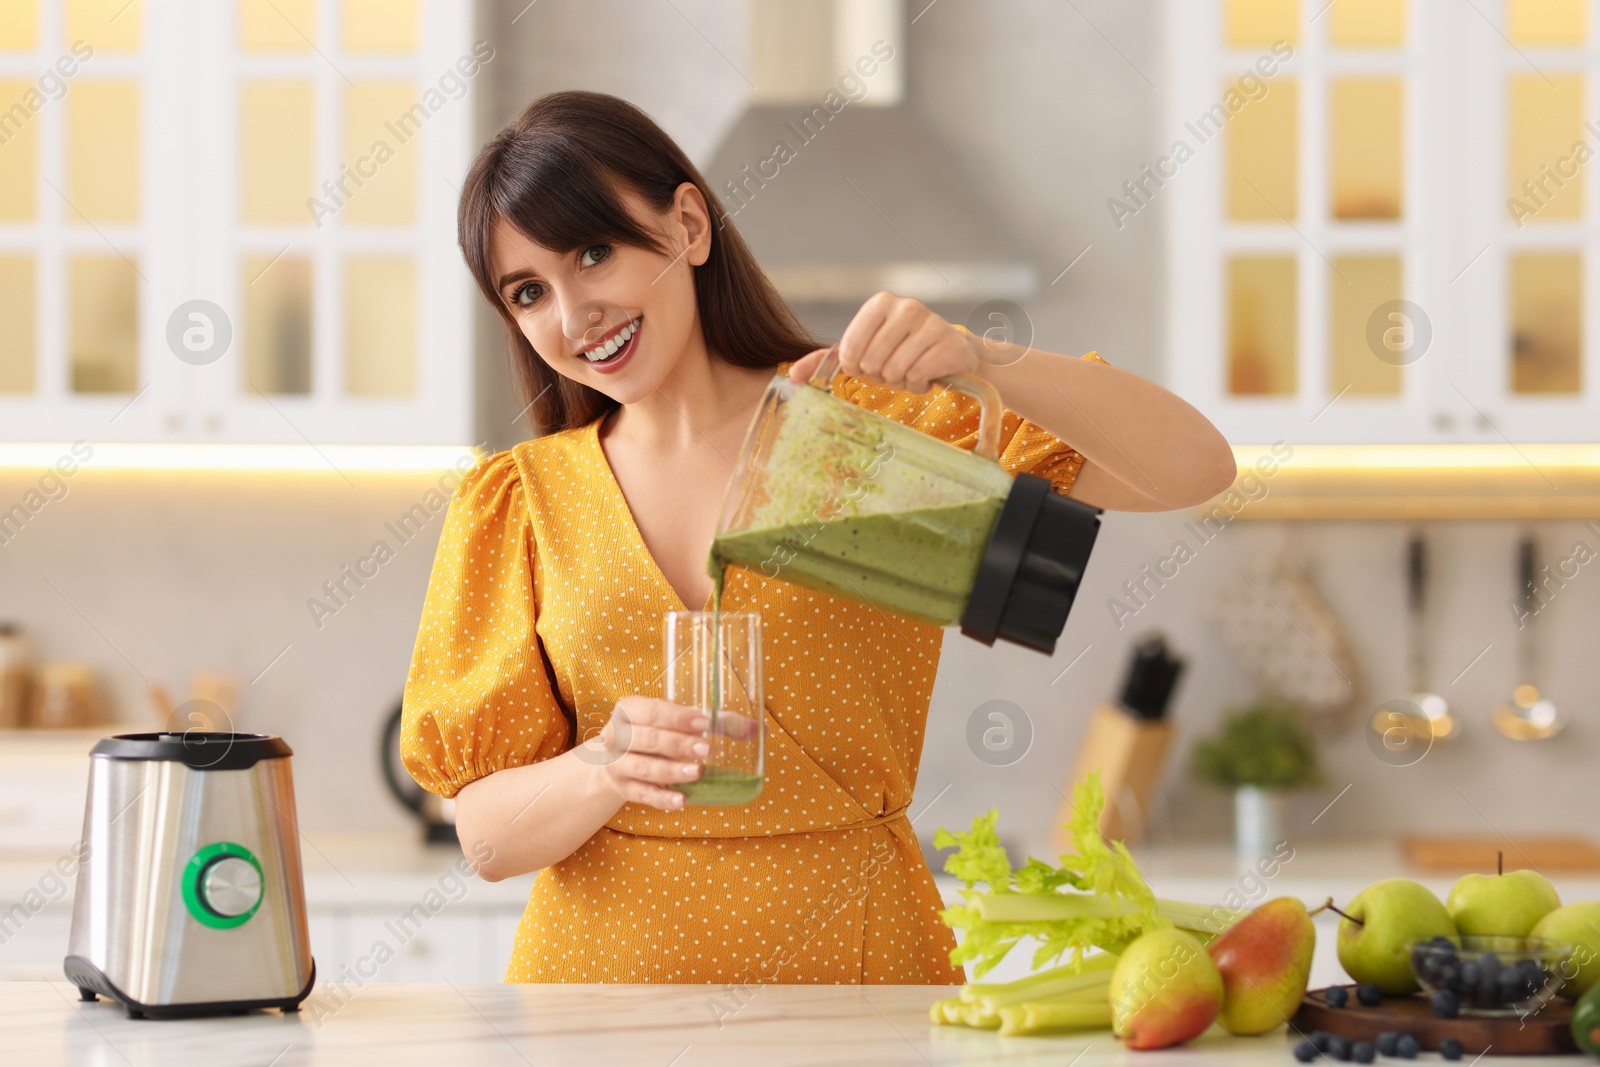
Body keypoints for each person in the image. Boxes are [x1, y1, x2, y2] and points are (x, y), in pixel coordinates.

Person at [401, 90, 1236, 985]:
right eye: (529, 292)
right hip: (599, 995)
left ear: (687, 224)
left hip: (859, 971)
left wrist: (985, 360)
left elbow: (1196, 467)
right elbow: (486, 838)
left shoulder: (866, 436)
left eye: (593, 253)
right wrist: (605, 764)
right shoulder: (519, 500)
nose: (574, 316)